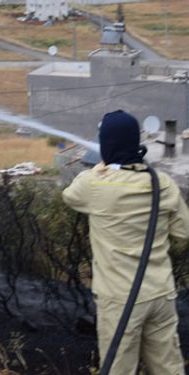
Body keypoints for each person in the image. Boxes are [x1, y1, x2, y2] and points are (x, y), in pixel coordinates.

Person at [62, 110, 189, 375]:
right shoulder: (162, 184)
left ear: (106, 146)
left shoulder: (94, 184)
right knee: (169, 368)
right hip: (161, 293)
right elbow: (184, 232)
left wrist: (99, 168)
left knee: (119, 369)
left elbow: (70, 196)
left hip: (120, 300)